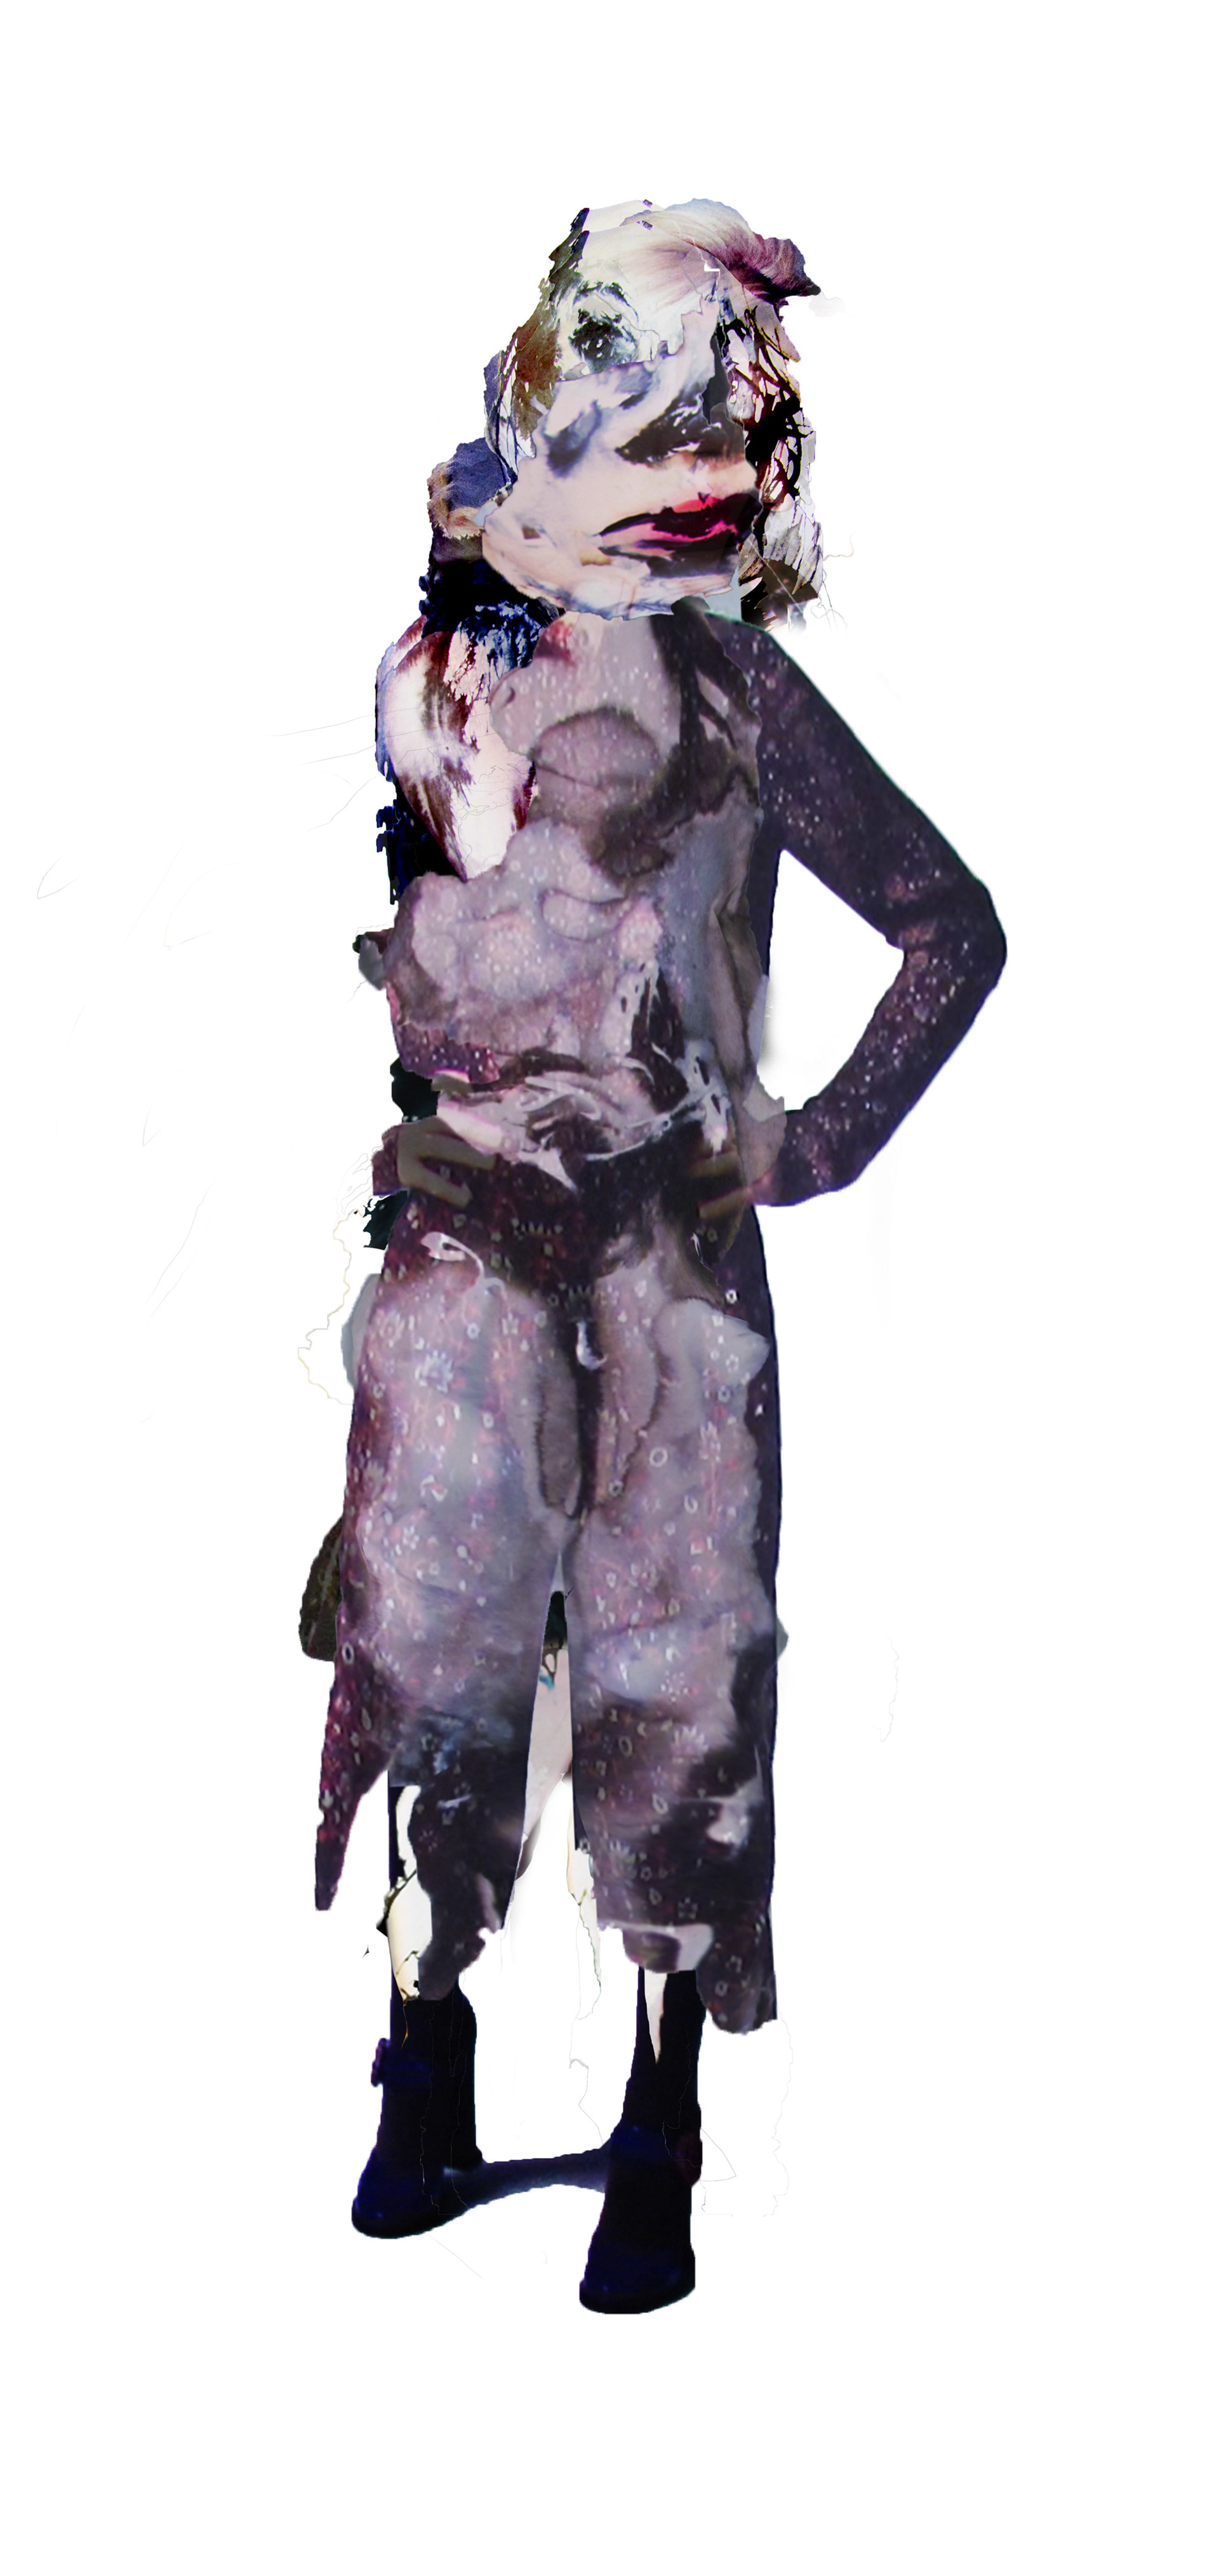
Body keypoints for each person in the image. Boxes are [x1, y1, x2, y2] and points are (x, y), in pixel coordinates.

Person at [304, 199, 1006, 2311]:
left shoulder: (733, 685)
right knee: (431, 1657)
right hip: (461, 1268)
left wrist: (805, 1142)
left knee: (674, 1681)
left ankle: (657, 2125)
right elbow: (441, 952)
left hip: (666, 1278)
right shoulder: (445, 668)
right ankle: (421, 2073)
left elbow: (950, 926)